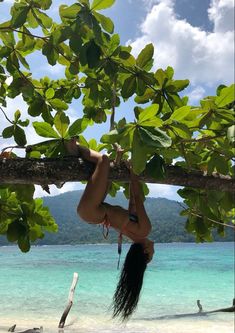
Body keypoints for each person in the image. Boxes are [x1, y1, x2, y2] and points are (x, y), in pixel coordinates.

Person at [66, 138, 154, 321]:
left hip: (93, 211)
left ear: (145, 251)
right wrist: (131, 175)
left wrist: (134, 172)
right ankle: (83, 153)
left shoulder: (144, 231)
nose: (154, 251)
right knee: (109, 170)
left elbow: (138, 196)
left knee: (103, 161)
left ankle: (74, 149)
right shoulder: (134, 234)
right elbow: (133, 202)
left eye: (152, 255)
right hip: (93, 212)